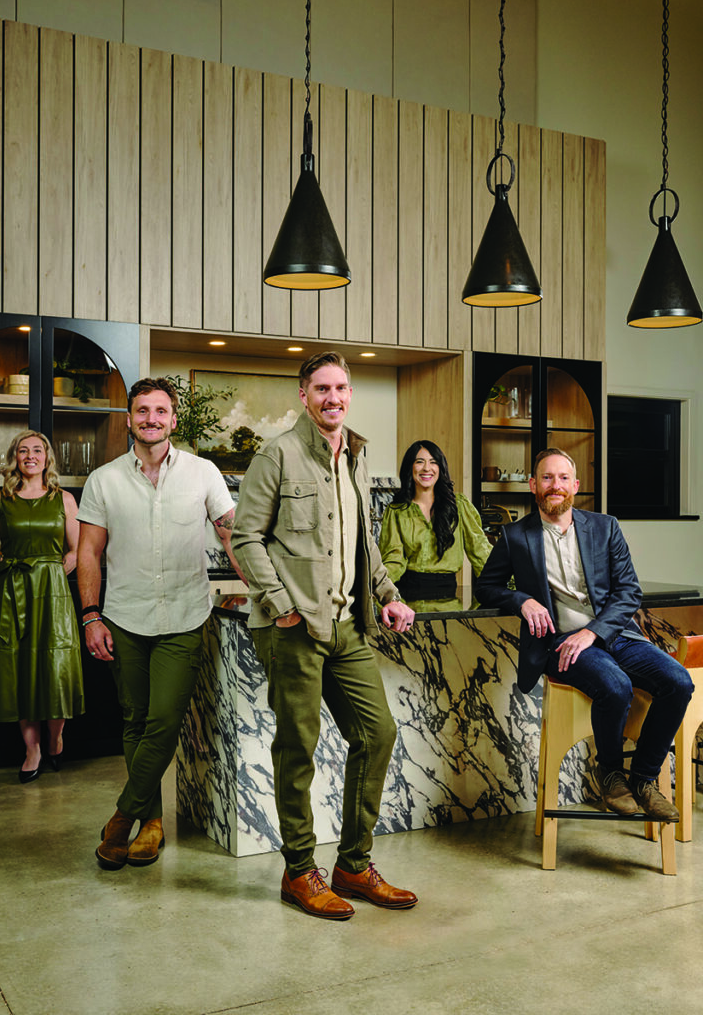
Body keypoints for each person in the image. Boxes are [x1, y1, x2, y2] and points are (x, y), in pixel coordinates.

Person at [231, 351, 418, 920]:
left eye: (340, 387)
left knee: (377, 733)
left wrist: (387, 594)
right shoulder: (278, 454)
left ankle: (354, 865)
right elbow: (245, 538)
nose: (333, 397)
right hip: (295, 628)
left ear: (349, 394)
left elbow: (361, 542)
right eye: (321, 388)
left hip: (347, 626)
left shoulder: (356, 456)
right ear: (304, 395)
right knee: (298, 747)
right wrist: (282, 606)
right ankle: (299, 871)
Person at [77, 377, 248, 871]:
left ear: (173, 419)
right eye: (142, 410)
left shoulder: (203, 472)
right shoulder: (104, 480)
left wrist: (264, 590)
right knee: (135, 720)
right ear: (129, 419)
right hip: (124, 617)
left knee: (164, 721)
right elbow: (88, 552)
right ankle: (151, 823)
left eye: (160, 411)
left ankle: (121, 818)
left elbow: (233, 536)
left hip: (183, 616)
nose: (151, 419)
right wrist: (90, 615)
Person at [475, 447, 693, 821]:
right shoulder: (515, 536)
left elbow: (629, 591)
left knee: (678, 681)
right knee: (616, 686)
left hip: (615, 635)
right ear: (533, 485)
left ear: (575, 485)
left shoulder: (605, 527)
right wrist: (522, 600)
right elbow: (486, 588)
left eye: (563, 478)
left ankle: (643, 779)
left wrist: (593, 632)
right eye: (546, 477)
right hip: (560, 642)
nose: (555, 485)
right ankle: (610, 774)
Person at [0, 431, 83, 784]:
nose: (30, 456)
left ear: (47, 458)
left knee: (55, 664)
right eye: (23, 451)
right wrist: (7, 572)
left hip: (52, 593)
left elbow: (78, 549)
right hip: (13, 594)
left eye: (37, 450)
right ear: (15, 458)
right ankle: (32, 750)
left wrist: (57, 571)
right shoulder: (1, 500)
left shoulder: (64, 499)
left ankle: (55, 738)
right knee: (19, 667)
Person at [379, 439, 492, 601]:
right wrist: (378, 588)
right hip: (406, 595)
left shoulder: (459, 505)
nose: (427, 468)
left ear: (441, 468)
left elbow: (480, 550)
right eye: (419, 462)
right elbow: (393, 559)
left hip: (449, 597)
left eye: (433, 462)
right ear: (410, 467)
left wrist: (505, 588)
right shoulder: (396, 511)